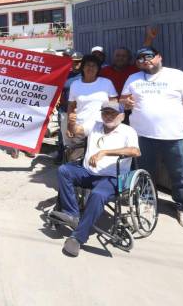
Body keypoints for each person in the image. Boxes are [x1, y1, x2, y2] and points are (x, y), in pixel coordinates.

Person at [121, 46, 183, 229]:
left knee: (180, 174)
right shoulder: (133, 78)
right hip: (141, 135)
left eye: (149, 56)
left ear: (159, 57)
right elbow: (123, 101)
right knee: (145, 172)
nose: (144, 60)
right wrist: (125, 102)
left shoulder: (176, 75)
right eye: (140, 58)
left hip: (174, 136)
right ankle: (147, 201)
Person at [54, 101, 141, 257]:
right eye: (105, 113)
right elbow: (77, 131)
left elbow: (135, 151)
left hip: (112, 177)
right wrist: (71, 124)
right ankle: (72, 214)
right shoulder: (95, 125)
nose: (108, 116)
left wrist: (105, 152)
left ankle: (78, 237)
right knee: (64, 170)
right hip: (88, 172)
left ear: (121, 116)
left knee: (98, 194)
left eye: (112, 114)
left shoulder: (128, 131)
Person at [65, 54, 118, 160]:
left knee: (98, 162)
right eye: (87, 65)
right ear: (82, 67)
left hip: (102, 130)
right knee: (75, 161)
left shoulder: (106, 83)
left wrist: (111, 124)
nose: (90, 68)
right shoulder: (75, 84)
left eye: (94, 65)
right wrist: (69, 126)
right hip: (80, 129)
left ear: (98, 69)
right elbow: (71, 106)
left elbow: (115, 103)